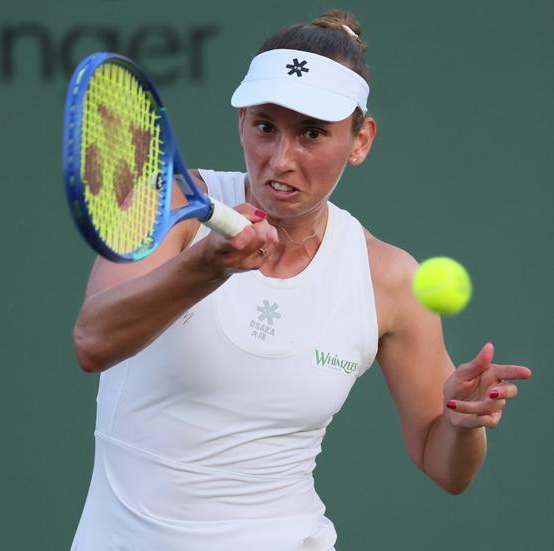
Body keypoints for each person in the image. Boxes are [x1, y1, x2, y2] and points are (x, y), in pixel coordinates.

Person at [69, 10, 532, 551]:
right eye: (266, 126)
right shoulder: (169, 203)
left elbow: (447, 469)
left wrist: (461, 421)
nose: (281, 160)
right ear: (241, 121)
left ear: (360, 141)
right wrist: (206, 267)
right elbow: (92, 341)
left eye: (312, 133)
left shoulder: (388, 278)